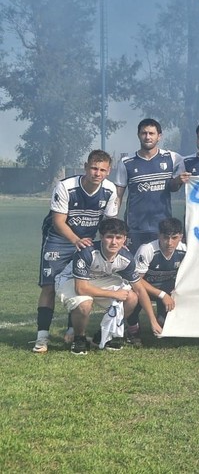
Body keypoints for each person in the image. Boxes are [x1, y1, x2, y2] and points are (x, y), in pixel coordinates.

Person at [32, 150, 119, 353]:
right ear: (85, 167)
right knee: (49, 287)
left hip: (85, 241)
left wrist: (112, 242)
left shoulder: (109, 189)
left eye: (102, 170)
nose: (97, 173)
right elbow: (58, 221)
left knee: (80, 283)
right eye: (94, 168)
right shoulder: (66, 186)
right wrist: (76, 240)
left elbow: (108, 223)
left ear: (108, 171)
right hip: (59, 240)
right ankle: (41, 337)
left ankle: (72, 330)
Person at [54, 218, 143, 354]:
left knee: (131, 298)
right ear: (101, 237)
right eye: (109, 237)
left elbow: (140, 289)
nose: (114, 242)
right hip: (71, 280)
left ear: (124, 239)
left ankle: (102, 335)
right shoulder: (86, 252)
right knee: (85, 304)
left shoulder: (126, 257)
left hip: (99, 279)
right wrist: (114, 294)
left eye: (118, 237)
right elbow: (81, 288)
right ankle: (80, 339)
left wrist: (153, 321)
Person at [114, 119, 183, 254]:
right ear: (138, 135)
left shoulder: (173, 158)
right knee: (133, 268)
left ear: (159, 136)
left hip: (163, 228)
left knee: (159, 267)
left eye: (151, 133)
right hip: (135, 228)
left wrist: (178, 180)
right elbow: (118, 195)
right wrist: (114, 221)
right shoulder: (127, 162)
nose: (148, 137)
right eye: (144, 133)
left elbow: (174, 187)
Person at [133, 217, 186, 335]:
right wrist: (161, 294)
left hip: (168, 291)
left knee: (164, 325)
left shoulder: (185, 251)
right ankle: (132, 328)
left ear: (181, 237)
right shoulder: (147, 250)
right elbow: (136, 280)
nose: (169, 242)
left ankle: (166, 320)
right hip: (145, 290)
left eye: (174, 238)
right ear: (159, 236)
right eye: (166, 237)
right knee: (133, 297)